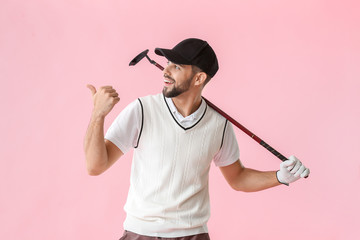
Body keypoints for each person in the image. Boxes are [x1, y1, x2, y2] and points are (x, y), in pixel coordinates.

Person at [84, 38, 310, 240]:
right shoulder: (142, 110)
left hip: (193, 235)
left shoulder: (219, 124)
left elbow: (238, 178)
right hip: (141, 234)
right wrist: (98, 115)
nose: (165, 71)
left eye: (177, 67)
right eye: (168, 64)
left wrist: (280, 176)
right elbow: (95, 166)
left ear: (199, 78)